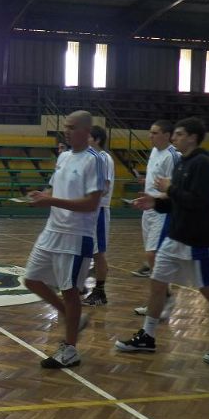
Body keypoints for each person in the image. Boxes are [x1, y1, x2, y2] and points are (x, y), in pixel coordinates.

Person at [115, 117, 209, 364]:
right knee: (158, 283)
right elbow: (178, 201)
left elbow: (198, 202)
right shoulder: (183, 163)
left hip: (197, 240)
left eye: (179, 134)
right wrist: (155, 202)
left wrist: (169, 189)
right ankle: (147, 336)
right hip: (176, 236)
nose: (174, 138)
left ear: (192, 137)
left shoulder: (203, 165)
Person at [23, 110, 104, 368]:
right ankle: (71, 317)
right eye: (65, 127)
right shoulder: (64, 156)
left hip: (76, 235)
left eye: (71, 127)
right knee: (31, 279)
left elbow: (92, 203)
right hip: (52, 230)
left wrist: (52, 200)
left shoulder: (95, 161)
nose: (66, 131)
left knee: (69, 291)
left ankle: (70, 350)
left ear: (85, 131)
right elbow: (53, 188)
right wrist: (42, 195)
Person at [132, 120, 181, 319]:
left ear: (167, 135)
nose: (150, 136)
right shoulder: (154, 152)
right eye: (150, 132)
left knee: (153, 255)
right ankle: (161, 298)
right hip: (148, 209)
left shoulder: (173, 156)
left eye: (154, 133)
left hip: (162, 209)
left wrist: (156, 198)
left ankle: (162, 300)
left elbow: (174, 187)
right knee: (152, 256)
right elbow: (159, 179)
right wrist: (146, 182)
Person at [82, 125, 114, 306]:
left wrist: (86, 198)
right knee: (87, 250)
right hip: (89, 211)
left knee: (98, 253)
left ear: (97, 140)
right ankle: (81, 286)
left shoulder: (104, 158)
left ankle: (100, 292)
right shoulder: (91, 159)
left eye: (89, 137)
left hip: (99, 210)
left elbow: (105, 186)